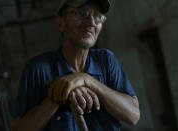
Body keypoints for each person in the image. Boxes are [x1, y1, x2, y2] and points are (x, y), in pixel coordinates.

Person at [10, 0, 140, 130]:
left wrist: (87, 80)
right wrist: (60, 94)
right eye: (82, 14)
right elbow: (18, 128)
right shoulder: (38, 68)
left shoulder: (106, 60)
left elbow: (133, 115)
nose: (91, 23)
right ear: (60, 23)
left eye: (97, 17)